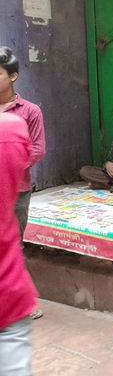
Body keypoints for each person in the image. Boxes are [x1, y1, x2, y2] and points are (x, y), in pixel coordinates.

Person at [0, 113, 38, 376]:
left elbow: (37, 150)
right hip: (10, 291)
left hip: (8, 295)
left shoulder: (23, 117)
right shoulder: (11, 128)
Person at [0, 47, 45, 241]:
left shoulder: (30, 111)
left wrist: (9, 165)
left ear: (13, 76)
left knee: (13, 241)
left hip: (17, 188)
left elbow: (37, 149)